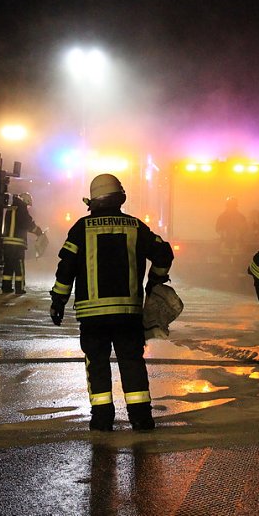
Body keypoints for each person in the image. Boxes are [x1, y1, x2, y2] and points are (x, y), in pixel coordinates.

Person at [50, 173, 174, 432]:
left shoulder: (81, 228)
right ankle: (141, 418)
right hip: (128, 313)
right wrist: (155, 280)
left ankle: (102, 419)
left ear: (93, 201)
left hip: (92, 315)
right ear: (120, 197)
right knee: (132, 361)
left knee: (97, 363)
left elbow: (66, 267)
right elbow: (164, 253)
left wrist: (59, 300)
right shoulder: (136, 227)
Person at [1, 191, 44, 295]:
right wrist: (39, 232)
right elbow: (28, 224)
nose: (27, 207)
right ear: (25, 201)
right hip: (17, 244)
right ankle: (19, 289)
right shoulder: (21, 208)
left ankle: (6, 287)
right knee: (19, 267)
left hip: (7, 243)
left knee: (8, 265)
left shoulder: (11, 208)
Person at [215, 196, 250, 265]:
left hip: (237, 245)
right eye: (230, 206)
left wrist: (239, 234)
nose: (231, 208)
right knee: (225, 264)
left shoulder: (240, 217)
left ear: (235, 206)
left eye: (233, 206)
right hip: (225, 245)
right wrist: (224, 234)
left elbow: (245, 229)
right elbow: (217, 228)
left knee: (237, 264)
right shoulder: (222, 216)